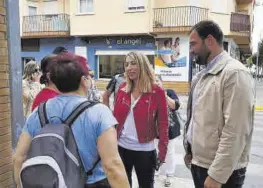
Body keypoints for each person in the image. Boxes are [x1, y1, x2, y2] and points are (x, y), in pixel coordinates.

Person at [13, 54, 130, 188]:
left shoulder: (38, 112)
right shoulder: (100, 113)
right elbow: (112, 166)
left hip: (55, 182)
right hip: (94, 183)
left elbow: (18, 157)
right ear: (84, 81)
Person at [184, 20, 255, 188]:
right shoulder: (201, 76)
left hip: (221, 172)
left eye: (193, 44)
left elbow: (236, 130)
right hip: (200, 163)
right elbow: (197, 119)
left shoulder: (234, 74)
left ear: (209, 41)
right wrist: (190, 150)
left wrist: (217, 175)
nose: (190, 50)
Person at [113, 51, 169, 188]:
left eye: (133, 63)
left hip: (145, 150)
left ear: (142, 65)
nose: (129, 68)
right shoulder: (122, 88)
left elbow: (163, 123)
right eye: (126, 64)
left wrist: (162, 152)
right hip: (121, 148)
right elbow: (114, 119)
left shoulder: (157, 91)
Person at [155, 75, 181, 187]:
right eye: (153, 81)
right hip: (155, 130)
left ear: (161, 82)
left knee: (169, 152)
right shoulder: (150, 94)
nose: (155, 83)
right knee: (155, 151)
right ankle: (156, 172)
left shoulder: (169, 92)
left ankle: (169, 175)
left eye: (157, 81)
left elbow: (175, 106)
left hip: (169, 129)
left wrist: (163, 95)